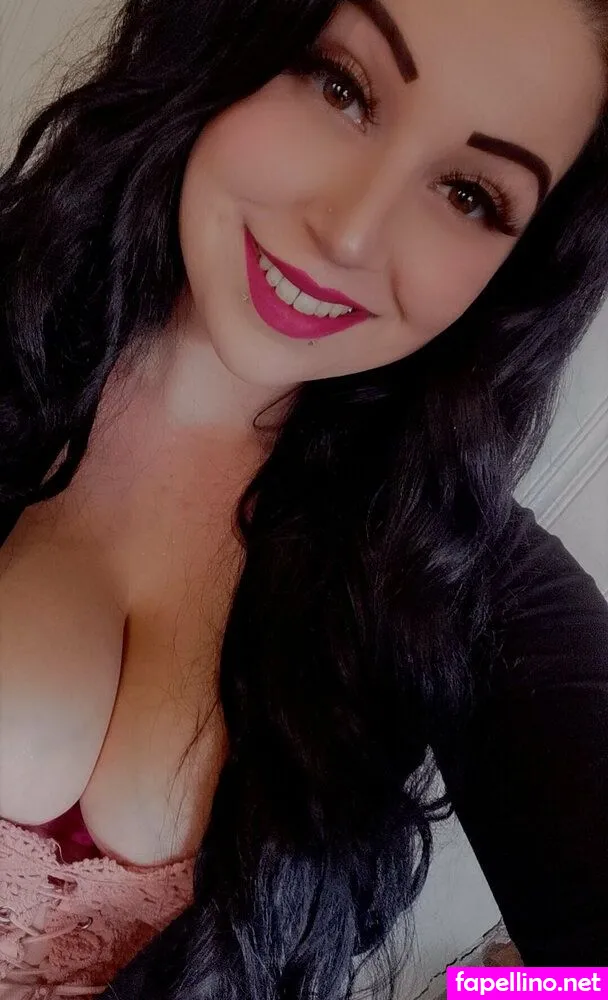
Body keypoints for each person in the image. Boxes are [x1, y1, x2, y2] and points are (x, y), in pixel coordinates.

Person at [1, 0, 608, 995]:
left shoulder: (451, 566)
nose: (349, 232)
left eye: (467, 194)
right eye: (341, 87)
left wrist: (484, 988)